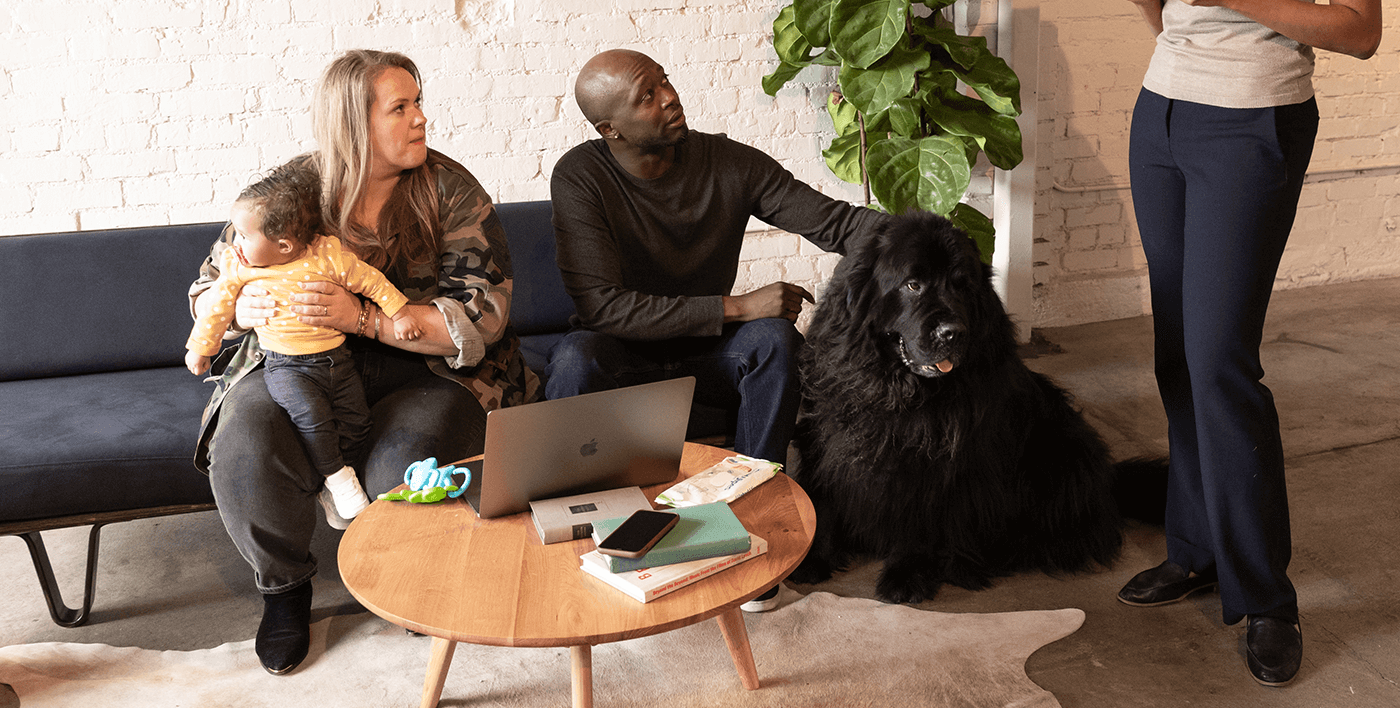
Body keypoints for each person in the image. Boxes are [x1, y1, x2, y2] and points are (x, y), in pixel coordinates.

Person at [1094, 0, 1381, 687]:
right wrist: (1150, 1)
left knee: (1221, 360)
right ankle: (1194, 547)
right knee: (1176, 349)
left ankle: (1265, 594)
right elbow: (1188, 29)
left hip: (1250, 129)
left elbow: (1357, 27)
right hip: (1162, 121)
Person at [190, 50, 529, 676]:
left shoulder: (450, 190)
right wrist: (244, 306)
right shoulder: (288, 194)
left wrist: (364, 319)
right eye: (401, 108)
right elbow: (210, 287)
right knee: (245, 437)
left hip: (424, 371)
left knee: (409, 462)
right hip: (295, 365)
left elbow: (483, 313)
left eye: (419, 102)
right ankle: (284, 590)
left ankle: (407, 579)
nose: (422, 119)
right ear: (354, 122)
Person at [547, 48, 881, 466]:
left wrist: (933, 239)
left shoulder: (729, 162)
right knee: (574, 359)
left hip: (710, 351)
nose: (670, 96)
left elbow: (839, 224)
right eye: (647, 96)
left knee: (775, 342)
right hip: (621, 352)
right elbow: (603, 308)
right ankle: (578, 504)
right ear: (610, 129)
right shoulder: (580, 177)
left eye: (664, 80)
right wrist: (740, 307)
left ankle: (753, 487)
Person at [185, 164, 423, 525]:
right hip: (286, 365)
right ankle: (338, 478)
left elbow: (370, 281)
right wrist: (202, 348)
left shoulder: (326, 256)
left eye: (245, 237)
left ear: (283, 245)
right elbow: (216, 308)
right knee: (311, 417)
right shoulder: (241, 267)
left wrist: (399, 312)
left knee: (357, 422)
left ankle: (330, 469)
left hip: (336, 362)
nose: (235, 245)